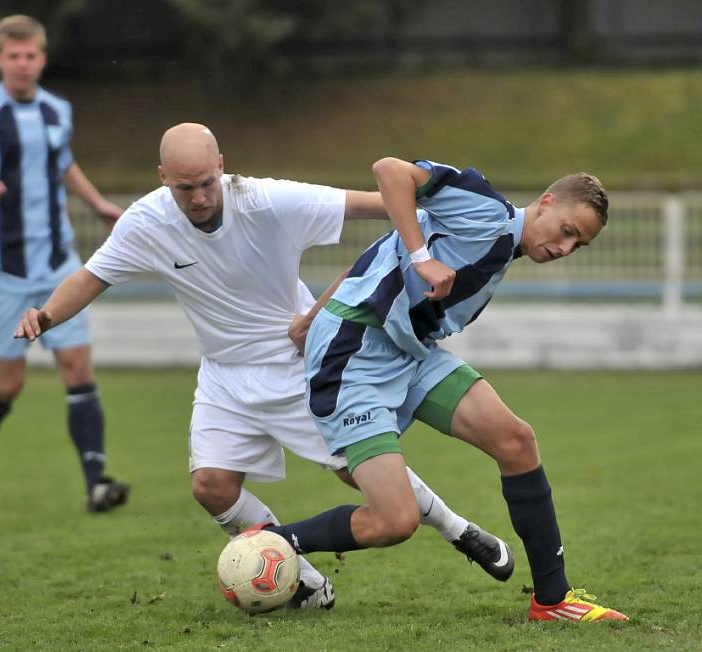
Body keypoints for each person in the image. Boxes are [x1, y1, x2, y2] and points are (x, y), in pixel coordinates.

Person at [15, 123, 515, 610]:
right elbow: (91, 276)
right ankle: (302, 579)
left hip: (297, 361)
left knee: (359, 476)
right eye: (185, 188)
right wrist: (46, 314)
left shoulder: (268, 201)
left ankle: (458, 529)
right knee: (211, 487)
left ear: (222, 167)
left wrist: (449, 230)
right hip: (223, 375)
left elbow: (376, 201)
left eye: (207, 183)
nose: (200, 197)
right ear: (163, 176)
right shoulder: (145, 222)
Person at [256, 158, 629, 622]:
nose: (566, 246)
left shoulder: (495, 242)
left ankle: (552, 601)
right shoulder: (484, 207)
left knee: (516, 441)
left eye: (580, 243)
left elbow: (377, 254)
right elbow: (390, 170)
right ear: (547, 202)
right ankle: (270, 541)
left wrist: (311, 316)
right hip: (353, 354)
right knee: (395, 521)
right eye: (568, 230)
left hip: (408, 351)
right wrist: (421, 258)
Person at [0, 15, 129, 513]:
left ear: (42, 57)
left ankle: (96, 482)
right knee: (9, 384)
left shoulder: (57, 110)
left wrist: (97, 203)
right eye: (13, 56)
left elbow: (61, 163)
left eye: (31, 55)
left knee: (77, 367)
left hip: (57, 263)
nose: (22, 64)